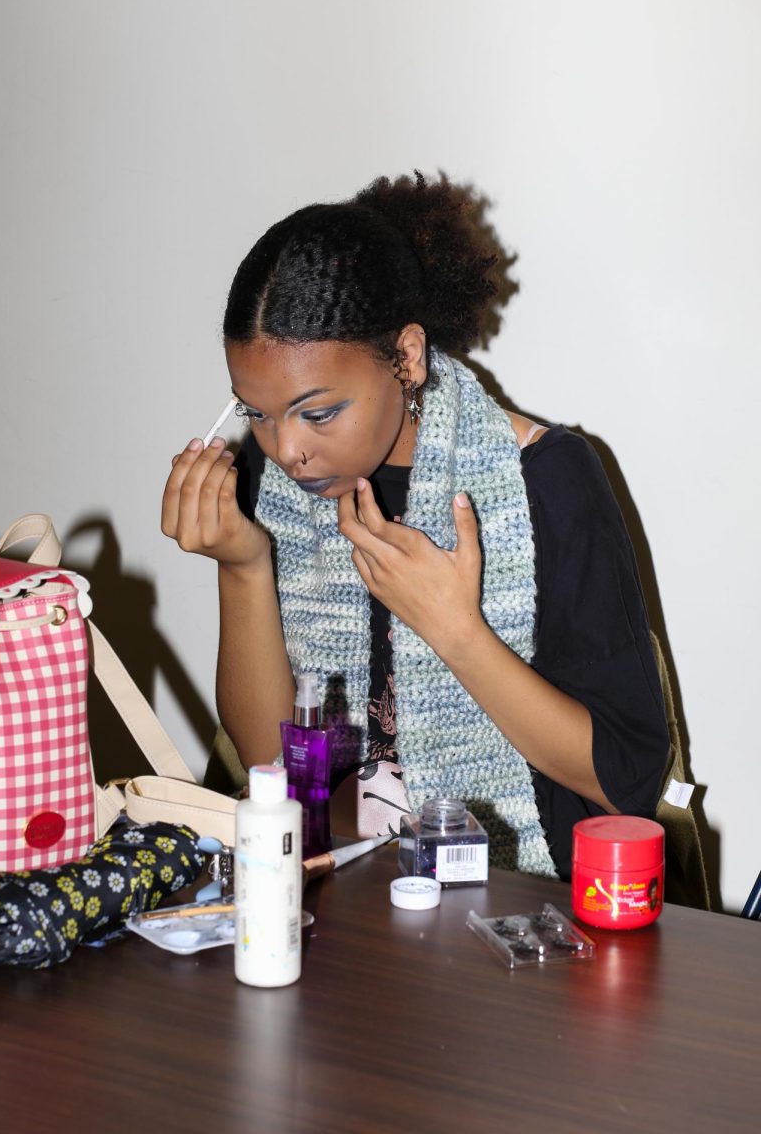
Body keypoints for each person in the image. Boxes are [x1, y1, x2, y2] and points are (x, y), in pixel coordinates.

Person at [162, 171, 670, 880]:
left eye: (317, 412)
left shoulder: (547, 480)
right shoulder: (277, 487)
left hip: (514, 912)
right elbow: (271, 772)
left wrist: (455, 630)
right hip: (341, 897)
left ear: (406, 355)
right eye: (256, 413)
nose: (287, 450)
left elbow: (625, 781)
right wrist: (241, 566)